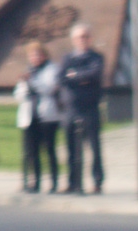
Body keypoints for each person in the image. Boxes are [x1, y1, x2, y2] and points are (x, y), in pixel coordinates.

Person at [58, 22, 104, 194]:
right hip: (71, 108)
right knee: (70, 147)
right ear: (73, 40)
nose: (82, 40)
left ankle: (97, 181)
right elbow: (61, 78)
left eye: (85, 36)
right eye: (79, 37)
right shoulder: (67, 59)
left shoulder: (96, 58)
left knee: (94, 146)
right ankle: (72, 181)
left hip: (90, 107)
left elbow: (94, 74)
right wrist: (81, 78)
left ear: (90, 38)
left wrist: (74, 75)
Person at [14, 42, 61, 194]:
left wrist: (31, 82)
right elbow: (18, 94)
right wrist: (25, 87)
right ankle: (34, 183)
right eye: (32, 55)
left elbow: (48, 88)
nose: (35, 58)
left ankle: (54, 183)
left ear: (44, 55)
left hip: (47, 117)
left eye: (38, 54)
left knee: (49, 150)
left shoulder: (52, 69)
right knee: (31, 152)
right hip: (29, 116)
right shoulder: (28, 71)